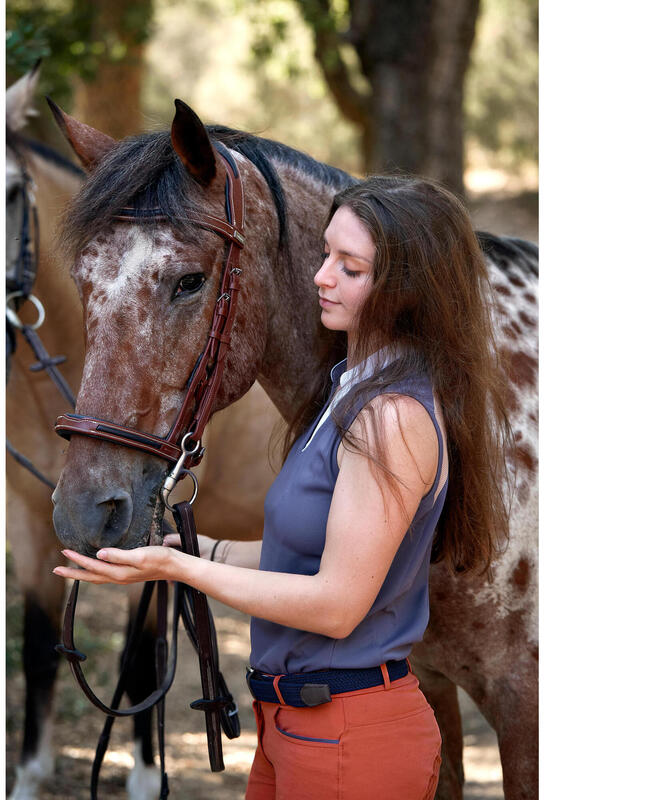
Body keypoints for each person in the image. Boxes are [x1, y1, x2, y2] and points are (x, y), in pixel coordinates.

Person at [54, 175, 512, 799]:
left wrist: (182, 571)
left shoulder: (390, 417)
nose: (320, 276)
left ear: (405, 292)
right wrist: (186, 552)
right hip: (296, 727)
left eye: (349, 267)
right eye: (326, 255)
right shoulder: (348, 391)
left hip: (351, 737)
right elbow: (301, 559)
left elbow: (334, 603)